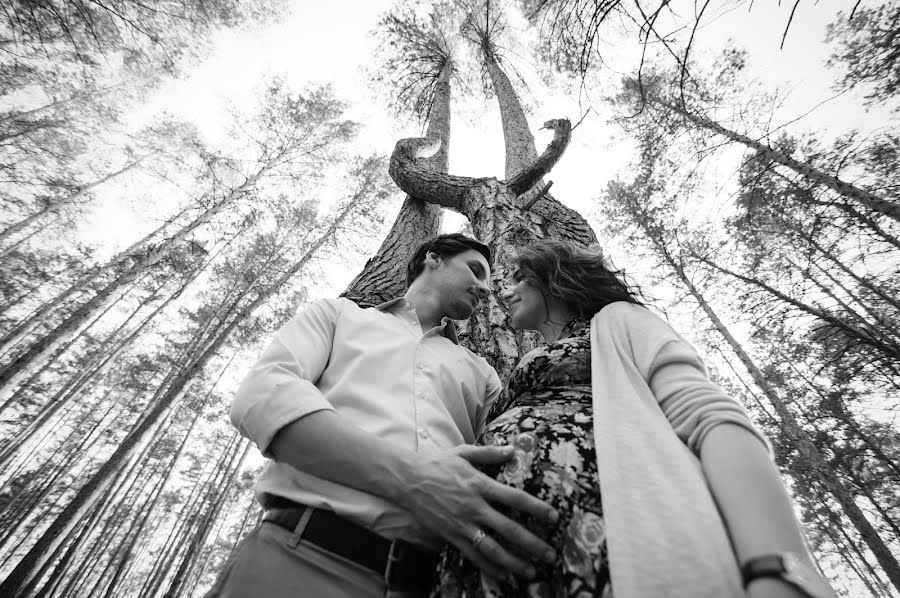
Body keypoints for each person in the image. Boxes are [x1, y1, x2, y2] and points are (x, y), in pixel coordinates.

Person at [432, 239, 836, 598]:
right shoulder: (513, 367)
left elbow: (712, 419)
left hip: (614, 556)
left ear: (548, 276)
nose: (503, 293)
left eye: (518, 279)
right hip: (480, 563)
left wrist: (779, 568)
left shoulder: (618, 321)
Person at [208, 233, 559, 598]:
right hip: (297, 561)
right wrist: (413, 479)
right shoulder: (337, 315)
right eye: (476, 270)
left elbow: (508, 457)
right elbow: (262, 395)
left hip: (434, 585)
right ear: (434, 258)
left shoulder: (482, 373)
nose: (485, 289)